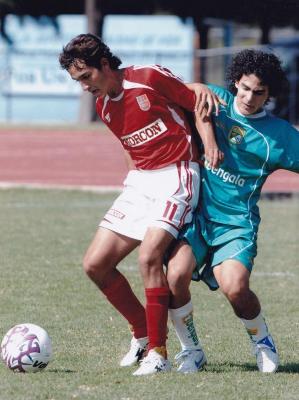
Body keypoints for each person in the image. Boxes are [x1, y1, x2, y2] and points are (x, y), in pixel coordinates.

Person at [59, 33, 223, 376]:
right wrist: (132, 189)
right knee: (95, 264)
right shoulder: (104, 105)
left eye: (86, 77)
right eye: (78, 82)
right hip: (141, 182)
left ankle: (159, 353)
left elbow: (196, 102)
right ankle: (142, 333)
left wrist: (208, 146)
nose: (84, 87)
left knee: (149, 257)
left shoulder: (147, 77)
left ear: (104, 65)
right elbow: (128, 147)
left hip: (178, 174)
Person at [167, 49, 299, 374]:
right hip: (196, 216)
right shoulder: (219, 100)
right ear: (235, 81)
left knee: (236, 287)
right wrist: (210, 140)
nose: (249, 97)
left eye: (259, 92)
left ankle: (262, 341)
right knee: (174, 276)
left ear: (270, 95)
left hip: (236, 224)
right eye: (245, 87)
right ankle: (192, 350)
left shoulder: (279, 136)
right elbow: (195, 92)